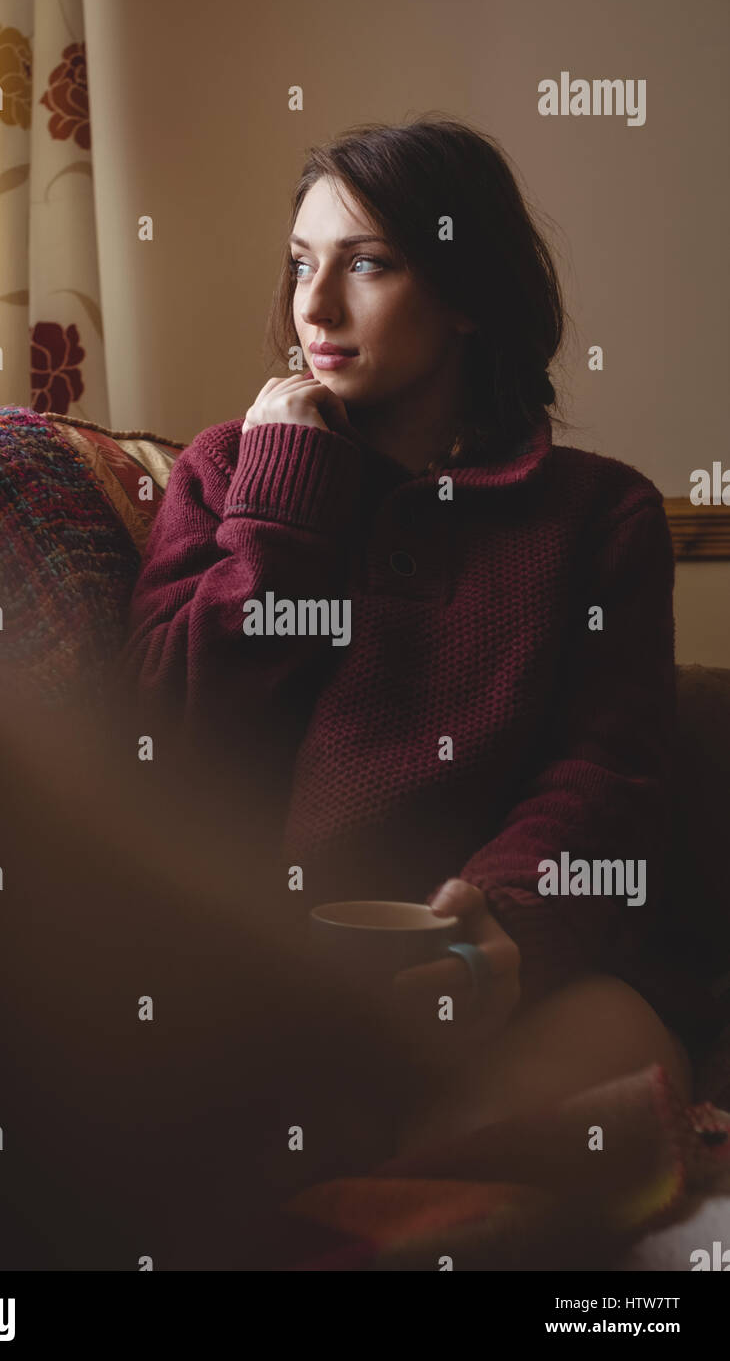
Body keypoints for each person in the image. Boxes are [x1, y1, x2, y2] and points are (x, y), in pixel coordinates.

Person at [122, 114, 712, 1162]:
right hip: (253, 967)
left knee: (502, 1112)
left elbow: (605, 775)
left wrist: (505, 919)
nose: (312, 303)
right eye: (301, 263)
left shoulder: (596, 514)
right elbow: (163, 740)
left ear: (466, 297)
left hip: (501, 973)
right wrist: (286, 515)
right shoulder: (225, 473)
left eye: (368, 264)